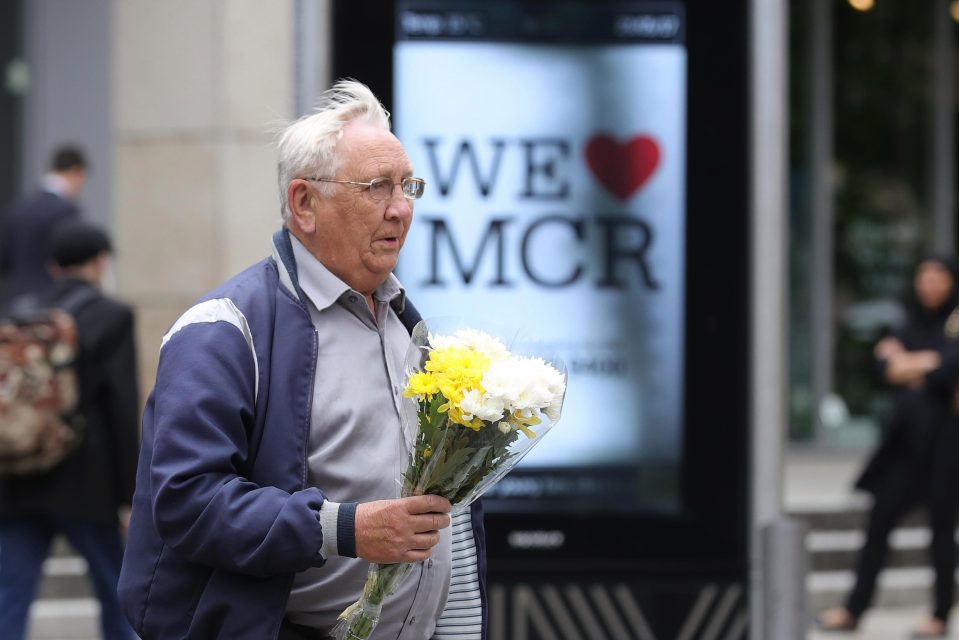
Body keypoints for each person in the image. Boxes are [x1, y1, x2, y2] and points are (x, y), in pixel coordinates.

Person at [118, 79, 487, 640]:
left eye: (408, 185)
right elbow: (186, 502)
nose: (402, 208)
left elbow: (448, 512)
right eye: (377, 187)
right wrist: (345, 529)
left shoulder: (411, 327)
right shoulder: (224, 329)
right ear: (304, 203)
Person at [0, 221, 140, 640]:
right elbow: (120, 406)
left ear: (52, 266)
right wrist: (128, 496)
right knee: (117, 595)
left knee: (10, 596)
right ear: (100, 262)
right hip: (85, 484)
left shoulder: (17, 311)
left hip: (16, 476)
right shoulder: (112, 315)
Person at [817, 255, 959, 638]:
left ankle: (941, 614)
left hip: (946, 445)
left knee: (942, 531)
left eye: (938, 276)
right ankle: (853, 609)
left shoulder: (955, 320)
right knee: (879, 522)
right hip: (906, 445)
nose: (929, 283)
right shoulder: (909, 320)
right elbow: (881, 369)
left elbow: (949, 370)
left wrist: (906, 364)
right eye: (924, 276)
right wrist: (923, 363)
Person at [0, 145, 88, 309]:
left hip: (12, 300)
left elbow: (5, 260)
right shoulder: (66, 210)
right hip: (49, 304)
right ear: (76, 171)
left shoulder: (17, 208)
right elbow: (73, 260)